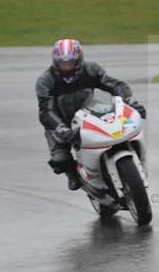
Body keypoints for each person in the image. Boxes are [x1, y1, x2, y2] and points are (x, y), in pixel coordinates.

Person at [36, 38, 146, 190]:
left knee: (119, 128)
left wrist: (130, 101)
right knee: (59, 159)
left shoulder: (91, 69)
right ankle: (74, 175)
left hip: (90, 114)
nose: (67, 67)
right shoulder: (45, 81)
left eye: (71, 63)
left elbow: (116, 85)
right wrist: (61, 127)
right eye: (63, 63)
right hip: (61, 122)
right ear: (55, 62)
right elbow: (46, 110)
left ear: (79, 59)